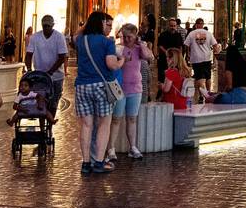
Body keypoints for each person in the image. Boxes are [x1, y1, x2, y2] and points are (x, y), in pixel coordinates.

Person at [74, 10, 124, 174]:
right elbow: (111, 65)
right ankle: (99, 162)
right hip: (101, 86)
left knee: (86, 125)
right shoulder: (107, 42)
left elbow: (76, 34)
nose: (109, 28)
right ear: (100, 23)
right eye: (107, 24)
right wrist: (122, 60)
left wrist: (87, 25)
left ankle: (86, 163)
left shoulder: (80, 40)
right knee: (104, 123)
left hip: (82, 86)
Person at [108, 23, 153, 160]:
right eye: (125, 36)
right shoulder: (118, 49)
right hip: (120, 89)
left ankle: (132, 146)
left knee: (132, 118)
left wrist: (142, 44)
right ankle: (111, 148)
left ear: (135, 36)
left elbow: (149, 57)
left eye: (130, 37)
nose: (127, 39)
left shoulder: (139, 49)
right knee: (116, 119)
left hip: (135, 88)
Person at [26, 14, 69, 121]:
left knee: (54, 101)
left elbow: (62, 57)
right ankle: (42, 124)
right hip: (40, 76)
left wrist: (50, 71)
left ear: (52, 25)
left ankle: (50, 122)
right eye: (44, 26)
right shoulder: (35, 37)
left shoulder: (59, 37)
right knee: (41, 100)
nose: (46, 28)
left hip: (56, 76)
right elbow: (29, 55)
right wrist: (30, 70)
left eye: (48, 26)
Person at [183, 18, 218, 103]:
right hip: (207, 58)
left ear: (196, 25)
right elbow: (215, 45)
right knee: (207, 77)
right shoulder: (208, 33)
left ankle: (202, 95)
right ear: (202, 24)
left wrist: (187, 54)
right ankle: (208, 93)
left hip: (196, 58)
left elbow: (186, 45)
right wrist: (214, 57)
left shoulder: (191, 34)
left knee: (199, 78)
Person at [159, 46, 191, 110]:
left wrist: (161, 85)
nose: (167, 59)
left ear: (172, 59)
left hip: (172, 103)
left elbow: (166, 89)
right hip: (184, 102)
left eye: (168, 57)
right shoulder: (185, 71)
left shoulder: (171, 72)